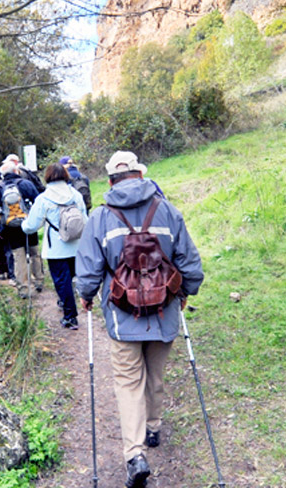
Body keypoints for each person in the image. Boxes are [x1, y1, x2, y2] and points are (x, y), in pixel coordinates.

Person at [75, 151, 204, 488]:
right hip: (165, 310)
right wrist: (187, 290)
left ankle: (135, 454)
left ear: (111, 179)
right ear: (140, 174)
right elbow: (189, 261)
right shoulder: (168, 210)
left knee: (128, 382)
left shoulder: (100, 218)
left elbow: (88, 269)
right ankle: (153, 427)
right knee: (155, 375)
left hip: (122, 316)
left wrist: (86, 296)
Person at [21, 163, 87, 329]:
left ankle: (70, 316)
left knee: (61, 280)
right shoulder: (76, 195)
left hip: (56, 248)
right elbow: (85, 219)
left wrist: (23, 224)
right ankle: (69, 302)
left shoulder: (44, 198)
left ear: (48, 176)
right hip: (77, 244)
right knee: (71, 278)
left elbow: (31, 226)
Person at [0, 161, 44, 298]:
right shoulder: (25, 184)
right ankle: (39, 281)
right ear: (16, 171)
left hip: (11, 228)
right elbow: (38, 202)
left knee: (18, 257)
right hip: (28, 224)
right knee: (34, 253)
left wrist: (0, 229)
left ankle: (23, 289)